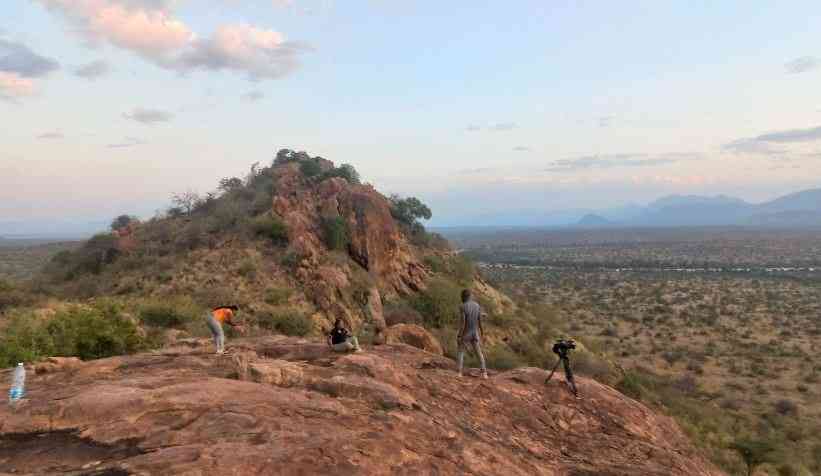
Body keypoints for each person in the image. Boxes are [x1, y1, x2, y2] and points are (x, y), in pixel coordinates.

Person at [457, 289, 488, 379]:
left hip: (466, 333)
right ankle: (484, 373)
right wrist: (482, 333)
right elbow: (480, 321)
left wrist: (459, 335)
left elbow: (463, 323)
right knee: (479, 353)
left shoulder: (462, 306)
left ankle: (459, 373)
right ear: (470, 296)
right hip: (475, 333)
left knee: (461, 351)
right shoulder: (477, 305)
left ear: (463, 297)